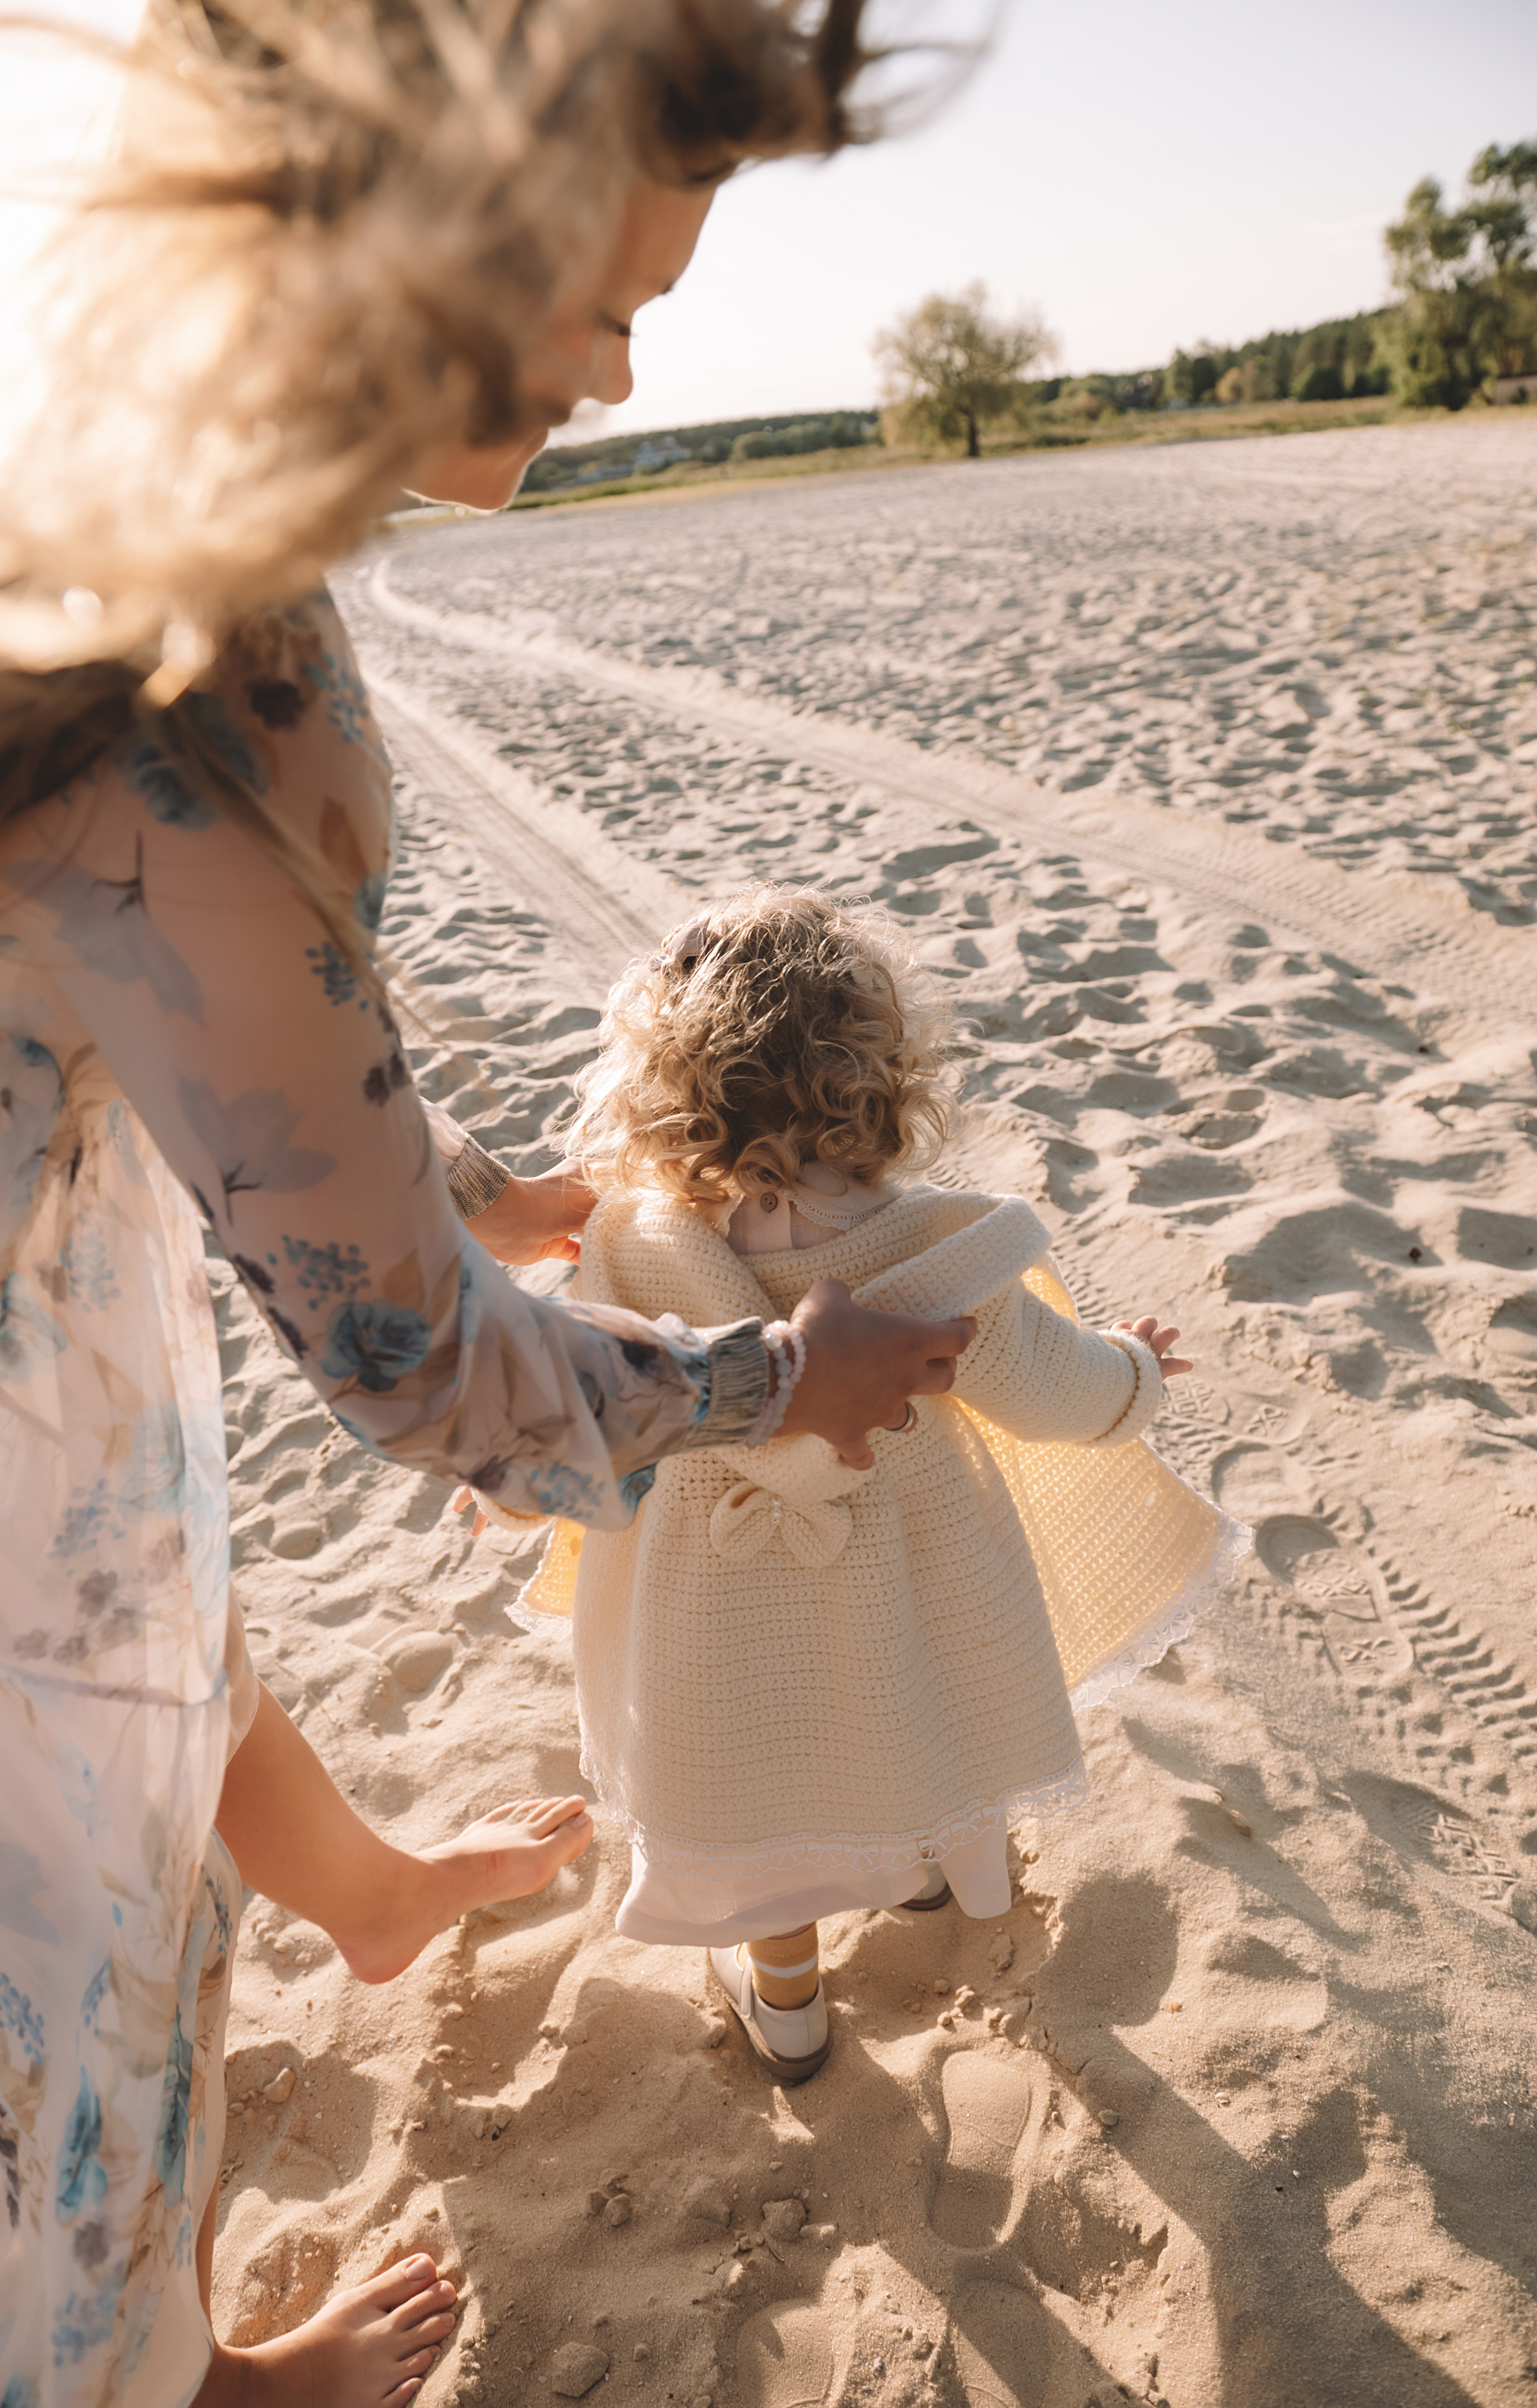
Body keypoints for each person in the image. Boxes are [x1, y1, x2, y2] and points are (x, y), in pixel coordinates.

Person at [0, 4, 978, 2402]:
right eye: (603, 313)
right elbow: (423, 1368)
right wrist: (779, 1376)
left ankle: (357, 1927)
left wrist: (479, 1177)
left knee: (171, 1655)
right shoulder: (184, 682)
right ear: (406, 240)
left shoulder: (96, 505)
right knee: (80, 2004)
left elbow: (203, 1033)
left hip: (67, 1282)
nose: (623, 378)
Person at [470, 888, 1250, 2081]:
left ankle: (786, 2001)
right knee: (906, 1717)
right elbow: (1064, 1396)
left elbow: (568, 1386)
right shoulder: (944, 1251)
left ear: (667, 1087)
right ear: (885, 1076)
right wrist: (1137, 1366)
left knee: (758, 1797)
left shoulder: (629, 1236)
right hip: (905, 1576)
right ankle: (926, 1866)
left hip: (710, 1605)